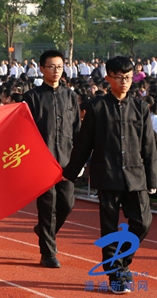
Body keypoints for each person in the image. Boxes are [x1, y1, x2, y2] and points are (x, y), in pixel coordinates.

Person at [63, 56, 157, 294]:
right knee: (110, 227)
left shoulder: (140, 107)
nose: (124, 82)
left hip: (136, 176)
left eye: (127, 77)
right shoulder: (96, 107)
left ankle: (121, 263)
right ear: (108, 79)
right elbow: (84, 144)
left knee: (143, 222)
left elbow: (149, 145)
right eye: (118, 77)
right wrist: (71, 173)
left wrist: (153, 178)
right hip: (107, 174)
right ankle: (115, 275)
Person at [23, 50, 81, 269]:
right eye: (51, 67)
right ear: (41, 69)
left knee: (67, 203)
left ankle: (44, 231)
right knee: (47, 206)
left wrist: (79, 160)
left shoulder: (70, 96)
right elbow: (26, 130)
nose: (56, 71)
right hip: (43, 161)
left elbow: (76, 129)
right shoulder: (32, 97)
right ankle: (48, 253)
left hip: (66, 160)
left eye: (59, 66)